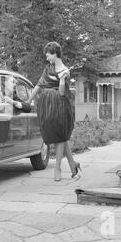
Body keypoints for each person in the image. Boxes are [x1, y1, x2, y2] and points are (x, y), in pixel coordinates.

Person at [27, 42, 81, 181]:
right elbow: (39, 85)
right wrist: (28, 101)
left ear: (55, 54)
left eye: (48, 55)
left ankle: (57, 168)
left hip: (60, 104)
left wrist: (62, 79)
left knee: (60, 135)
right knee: (59, 136)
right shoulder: (48, 68)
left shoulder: (65, 71)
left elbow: (62, 93)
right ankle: (73, 164)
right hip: (47, 104)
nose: (47, 58)